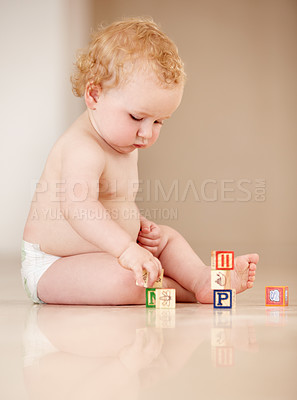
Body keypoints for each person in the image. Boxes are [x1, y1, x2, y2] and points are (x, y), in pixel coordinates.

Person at [22, 17, 258, 305]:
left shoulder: (124, 142)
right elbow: (78, 208)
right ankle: (188, 292)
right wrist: (124, 248)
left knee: (167, 239)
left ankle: (201, 278)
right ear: (94, 95)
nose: (146, 133)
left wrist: (136, 227)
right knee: (124, 280)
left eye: (159, 121)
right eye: (136, 117)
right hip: (54, 265)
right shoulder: (82, 147)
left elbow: (114, 200)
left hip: (109, 251)